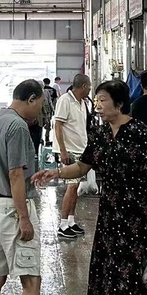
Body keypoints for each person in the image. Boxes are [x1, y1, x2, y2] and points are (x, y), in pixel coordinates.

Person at [33, 80, 147, 295]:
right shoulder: (99, 134)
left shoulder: (140, 132)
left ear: (119, 103)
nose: (97, 105)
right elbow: (82, 167)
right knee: (108, 271)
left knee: (132, 274)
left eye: (102, 100)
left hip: (137, 216)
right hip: (110, 215)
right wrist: (55, 172)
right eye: (96, 100)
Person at [0, 79, 47, 295]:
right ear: (31, 99)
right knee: (31, 281)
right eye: (40, 104)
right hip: (11, 209)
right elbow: (15, 175)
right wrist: (24, 217)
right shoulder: (17, 126)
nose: (40, 109)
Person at [53, 73, 92, 240]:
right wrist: (62, 151)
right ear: (83, 86)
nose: (90, 89)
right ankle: (62, 224)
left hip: (80, 150)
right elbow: (58, 126)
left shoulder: (83, 103)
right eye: (89, 86)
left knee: (75, 188)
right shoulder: (65, 101)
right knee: (71, 186)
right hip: (69, 151)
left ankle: (70, 220)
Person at [42, 78, 58, 145]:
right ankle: (47, 138)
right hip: (49, 110)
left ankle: (41, 138)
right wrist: (54, 109)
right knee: (48, 125)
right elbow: (53, 101)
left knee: (40, 125)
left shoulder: (40, 91)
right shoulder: (53, 90)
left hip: (40, 111)